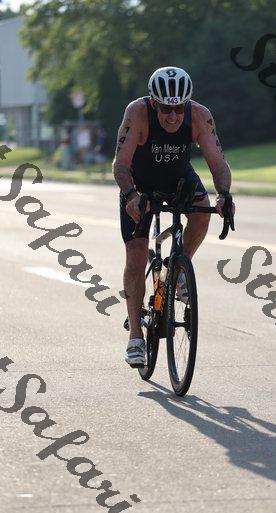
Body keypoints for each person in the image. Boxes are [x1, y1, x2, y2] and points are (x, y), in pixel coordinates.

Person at [112, 66, 235, 367]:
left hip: (177, 178)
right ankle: (136, 337)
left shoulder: (200, 116)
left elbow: (218, 163)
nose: (172, 116)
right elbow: (120, 164)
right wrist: (131, 196)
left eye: (179, 108)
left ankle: (179, 269)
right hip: (140, 185)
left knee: (202, 211)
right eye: (165, 108)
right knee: (136, 256)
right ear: (154, 103)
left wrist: (224, 194)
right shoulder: (137, 113)